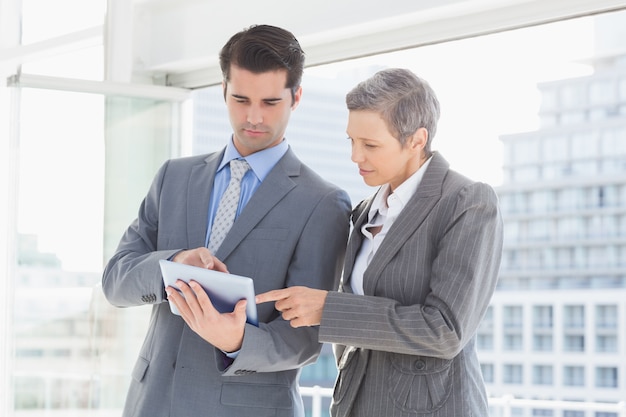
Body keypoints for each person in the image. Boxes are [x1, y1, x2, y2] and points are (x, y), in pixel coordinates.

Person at [102, 24, 351, 417]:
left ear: (296, 97)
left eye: (270, 102)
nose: (253, 117)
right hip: (153, 403)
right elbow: (116, 282)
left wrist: (238, 340)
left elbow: (305, 340)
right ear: (223, 91)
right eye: (240, 99)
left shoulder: (322, 202)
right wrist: (173, 265)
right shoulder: (174, 178)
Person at [256, 68, 503, 417]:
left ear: (417, 140)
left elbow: (446, 330)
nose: (355, 156)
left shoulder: (466, 202)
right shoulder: (365, 211)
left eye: (370, 145)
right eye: (351, 141)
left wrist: (330, 309)